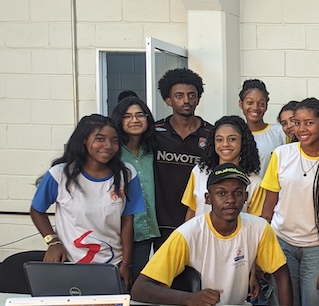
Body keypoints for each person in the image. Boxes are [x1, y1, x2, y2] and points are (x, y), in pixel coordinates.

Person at [133, 164, 291, 306]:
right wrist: (189, 299)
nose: (230, 200)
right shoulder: (188, 234)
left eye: (237, 193)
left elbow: (281, 274)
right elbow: (140, 288)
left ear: (245, 197)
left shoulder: (259, 228)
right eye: (221, 193)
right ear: (208, 198)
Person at [29, 114, 144, 288]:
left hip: (112, 267)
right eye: (100, 139)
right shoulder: (60, 174)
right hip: (71, 266)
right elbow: (37, 210)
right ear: (84, 140)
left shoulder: (126, 174)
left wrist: (126, 264)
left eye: (114, 141)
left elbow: (127, 221)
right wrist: (53, 241)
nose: (108, 146)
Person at [261, 98, 319, 306]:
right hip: (281, 243)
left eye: (309, 122)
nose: (301, 129)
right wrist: (264, 248)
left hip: (316, 248)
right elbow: (268, 207)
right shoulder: (282, 155)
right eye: (297, 122)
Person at [153, 68, 213, 242]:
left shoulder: (211, 134)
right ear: (168, 100)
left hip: (199, 219)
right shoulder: (154, 133)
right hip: (162, 222)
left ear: (198, 99)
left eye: (191, 95)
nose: (186, 100)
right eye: (179, 96)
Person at [111, 95, 160, 279]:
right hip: (118, 232)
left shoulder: (152, 150)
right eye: (128, 116)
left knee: (138, 283)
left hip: (146, 231)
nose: (135, 120)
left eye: (140, 115)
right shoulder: (113, 153)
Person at [182, 116, 264, 220]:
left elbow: (255, 222)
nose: (225, 144)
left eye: (232, 139)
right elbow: (192, 211)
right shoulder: (199, 172)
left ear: (243, 142)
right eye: (219, 139)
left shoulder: (255, 183)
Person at [239, 78, 285, 175]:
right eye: (250, 103)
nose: (255, 108)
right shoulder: (236, 134)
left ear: (266, 106)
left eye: (261, 104)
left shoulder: (279, 131)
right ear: (241, 104)